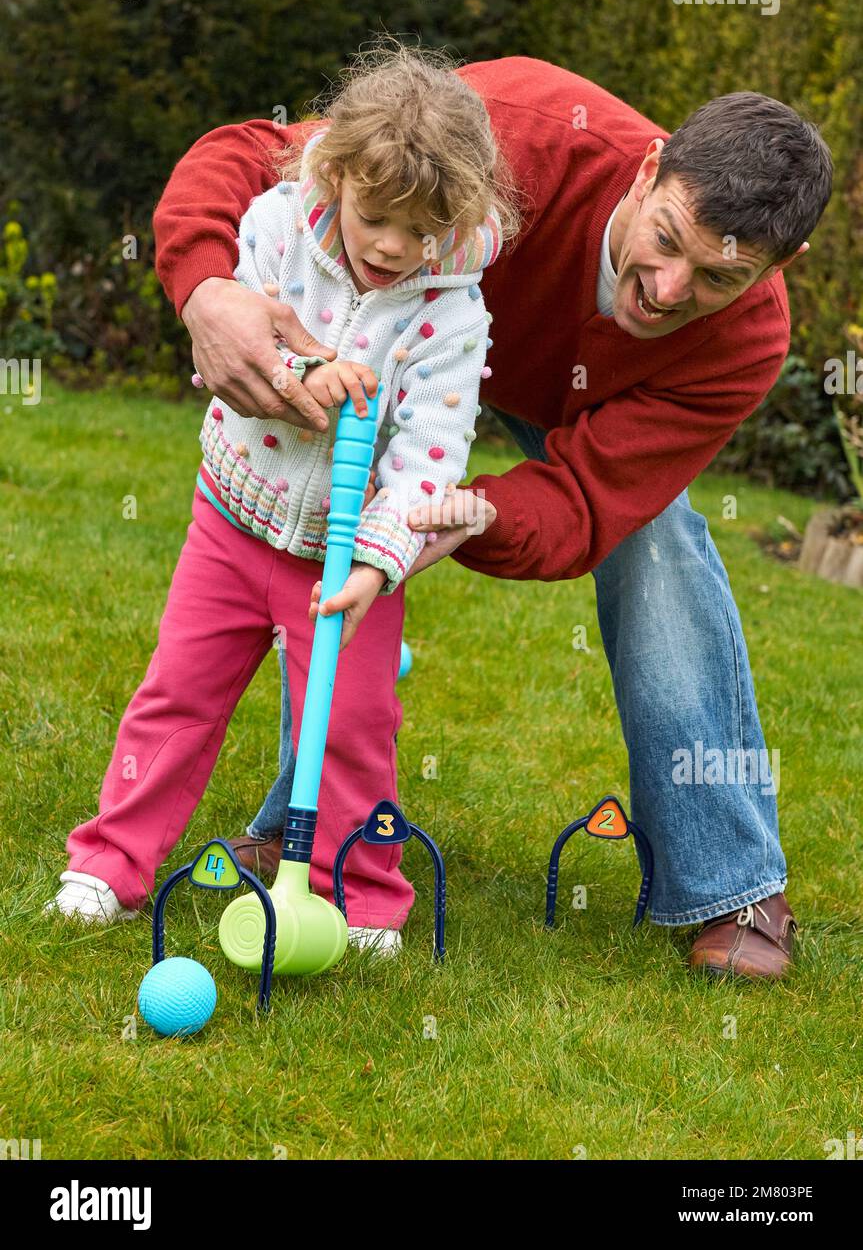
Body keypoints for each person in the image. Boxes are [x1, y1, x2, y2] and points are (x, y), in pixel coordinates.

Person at [151, 54, 833, 980]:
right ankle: (308, 831)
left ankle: (731, 880)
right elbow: (253, 155)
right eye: (666, 239)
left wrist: (441, 520)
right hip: (411, 368)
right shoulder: (522, 132)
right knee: (324, 533)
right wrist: (205, 288)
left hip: (571, 414)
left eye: (718, 276)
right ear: (649, 169)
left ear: (776, 268)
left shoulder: (745, 339)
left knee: (660, 535)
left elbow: (589, 498)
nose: (668, 291)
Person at [46, 42, 518, 956]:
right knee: (176, 696)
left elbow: (430, 456)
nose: (390, 247)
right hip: (232, 516)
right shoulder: (272, 228)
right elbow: (241, 346)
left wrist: (380, 561)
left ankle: (366, 894)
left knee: (352, 729)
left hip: (344, 564)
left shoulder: (451, 313)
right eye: (375, 216)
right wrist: (306, 368)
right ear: (336, 171)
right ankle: (110, 862)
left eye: (418, 231)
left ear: (456, 217)